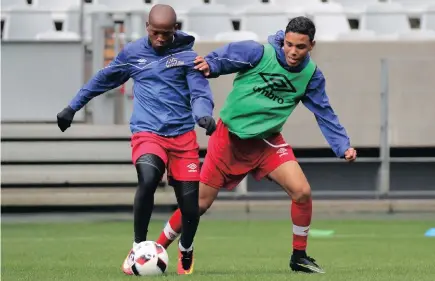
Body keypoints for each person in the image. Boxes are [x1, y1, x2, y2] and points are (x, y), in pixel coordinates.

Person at [154, 16, 357, 274]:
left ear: (312, 46)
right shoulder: (258, 52)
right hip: (228, 140)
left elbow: (324, 113)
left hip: (266, 143)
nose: (293, 52)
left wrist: (343, 146)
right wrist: (211, 64)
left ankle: (299, 256)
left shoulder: (311, 76)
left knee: (302, 192)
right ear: (284, 39)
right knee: (198, 205)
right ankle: (154, 249)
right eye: (289, 44)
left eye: (301, 47)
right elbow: (223, 58)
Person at [55, 4, 216, 276]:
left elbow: (200, 92)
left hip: (182, 138)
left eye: (166, 33)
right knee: (148, 179)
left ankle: (186, 249)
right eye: (156, 33)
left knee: (191, 207)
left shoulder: (187, 57)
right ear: (147, 28)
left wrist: (203, 115)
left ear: (175, 29)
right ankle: (138, 246)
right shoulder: (133, 53)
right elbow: (103, 79)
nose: (161, 39)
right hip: (148, 132)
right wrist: (72, 107)